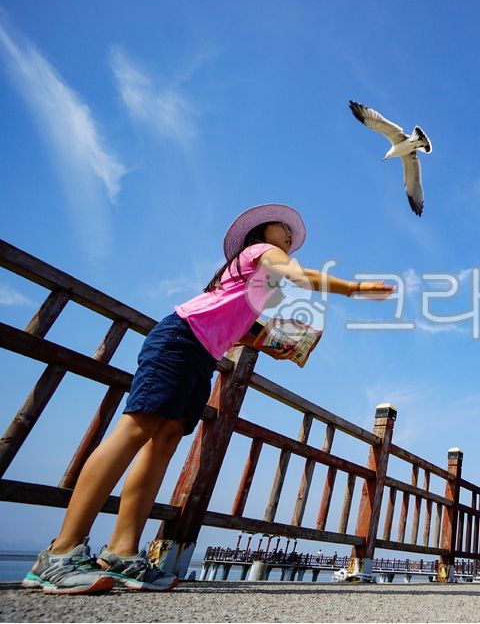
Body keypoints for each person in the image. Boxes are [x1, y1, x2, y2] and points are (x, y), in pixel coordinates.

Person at [22, 204, 393, 594]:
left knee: (163, 442)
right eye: (281, 228)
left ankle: (122, 553)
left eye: (290, 232)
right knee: (136, 429)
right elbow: (297, 277)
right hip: (179, 340)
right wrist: (354, 289)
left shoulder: (253, 284)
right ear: (258, 235)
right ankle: (61, 552)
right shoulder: (257, 254)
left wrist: (277, 344)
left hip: (201, 355)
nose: (288, 235)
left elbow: (241, 328)